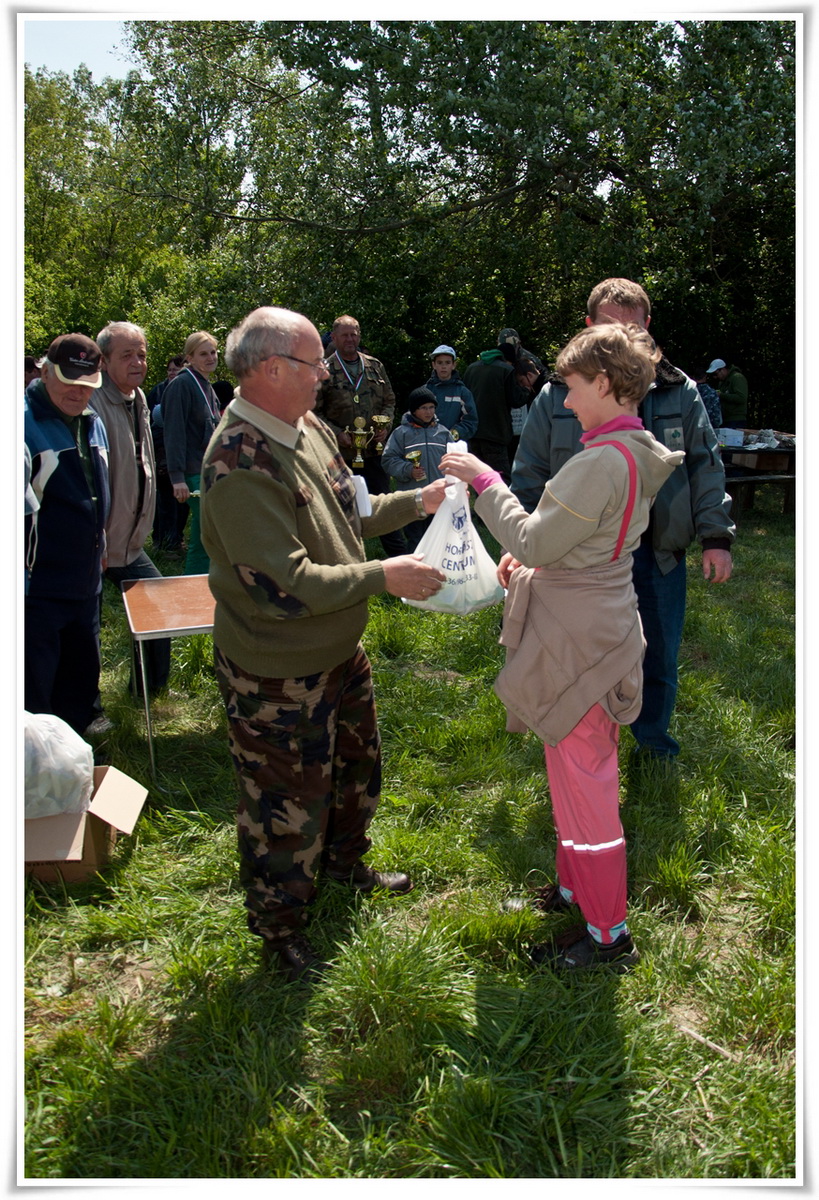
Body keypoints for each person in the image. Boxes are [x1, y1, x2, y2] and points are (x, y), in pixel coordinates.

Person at [200, 305, 447, 982]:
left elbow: (350, 512)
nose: (326, 376)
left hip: (336, 651)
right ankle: (280, 930)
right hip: (277, 672)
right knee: (285, 806)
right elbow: (285, 586)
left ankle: (344, 867)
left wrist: (418, 501)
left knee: (353, 771)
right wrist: (385, 576)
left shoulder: (307, 427)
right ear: (272, 370)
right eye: (314, 365)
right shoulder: (240, 460)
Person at [442, 323, 684, 972]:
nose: (566, 400)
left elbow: (534, 539)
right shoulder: (629, 450)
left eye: (573, 387)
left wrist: (484, 479)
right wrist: (534, 566)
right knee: (571, 772)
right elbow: (577, 548)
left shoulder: (601, 461)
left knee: (587, 785)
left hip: (580, 643)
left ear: (604, 384)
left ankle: (608, 935)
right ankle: (575, 892)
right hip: (594, 627)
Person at [509, 279, 734, 761]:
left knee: (658, 654)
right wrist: (520, 543)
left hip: (658, 553)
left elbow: (705, 464)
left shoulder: (679, 389)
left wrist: (717, 536)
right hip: (578, 561)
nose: (624, 339)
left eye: (634, 328)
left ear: (648, 326)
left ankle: (652, 747)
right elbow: (529, 471)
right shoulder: (558, 394)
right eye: (610, 326)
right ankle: (583, 746)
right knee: (576, 656)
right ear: (589, 326)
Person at [24, 334, 110, 736]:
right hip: (37, 590)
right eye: (69, 380)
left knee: (79, 683)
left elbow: (96, 491)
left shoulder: (93, 422)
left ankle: (77, 759)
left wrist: (101, 542)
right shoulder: (22, 425)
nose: (79, 392)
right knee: (34, 700)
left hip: (85, 583)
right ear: (44, 372)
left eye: (88, 384)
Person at [90, 321, 170, 695]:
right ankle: (86, 709)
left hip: (129, 540)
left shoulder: (138, 398)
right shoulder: (90, 402)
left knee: (157, 608)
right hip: (98, 542)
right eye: (127, 355)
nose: (137, 362)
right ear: (104, 361)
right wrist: (98, 538)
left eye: (142, 354)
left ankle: (147, 693)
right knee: (84, 630)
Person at [316, 314, 405, 557]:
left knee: (384, 506)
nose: (350, 339)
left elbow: (389, 400)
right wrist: (336, 434)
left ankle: (401, 558)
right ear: (334, 338)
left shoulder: (375, 366)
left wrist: (385, 424)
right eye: (344, 335)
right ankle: (345, 560)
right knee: (340, 510)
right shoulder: (323, 370)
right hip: (340, 456)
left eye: (354, 334)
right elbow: (314, 412)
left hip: (373, 452)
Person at [161, 331, 221, 574]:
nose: (210, 358)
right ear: (190, 358)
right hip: (191, 472)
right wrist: (177, 477)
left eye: (213, 352)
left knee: (206, 531)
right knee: (209, 531)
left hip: (208, 470)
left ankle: (201, 581)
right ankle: (195, 581)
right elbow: (174, 433)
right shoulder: (182, 385)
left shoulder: (207, 386)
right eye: (203, 354)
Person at [382, 386, 451, 551]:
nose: (429, 412)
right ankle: (415, 566)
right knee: (416, 541)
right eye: (423, 408)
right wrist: (408, 470)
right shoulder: (401, 433)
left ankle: (438, 566)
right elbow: (388, 460)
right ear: (413, 410)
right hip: (414, 498)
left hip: (439, 497)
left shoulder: (443, 433)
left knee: (440, 540)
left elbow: (455, 459)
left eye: (431, 407)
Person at [462, 327, 530, 482]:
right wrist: (526, 389)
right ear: (509, 359)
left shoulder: (471, 368)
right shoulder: (506, 370)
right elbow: (516, 400)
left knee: (479, 479)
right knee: (501, 479)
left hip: (473, 434)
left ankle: (479, 500)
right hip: (496, 434)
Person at [423, 345, 478, 441]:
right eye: (439, 362)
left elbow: (471, 421)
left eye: (447, 362)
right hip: (428, 443)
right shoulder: (424, 391)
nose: (443, 366)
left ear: (454, 365)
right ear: (434, 365)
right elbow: (413, 417)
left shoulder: (462, 392)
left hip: (453, 445)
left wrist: (454, 434)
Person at [706, 358, 748, 428]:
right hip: (725, 419)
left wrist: (721, 395)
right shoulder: (722, 382)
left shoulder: (737, 378)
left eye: (716, 374)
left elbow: (741, 398)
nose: (715, 377)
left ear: (723, 369)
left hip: (736, 420)